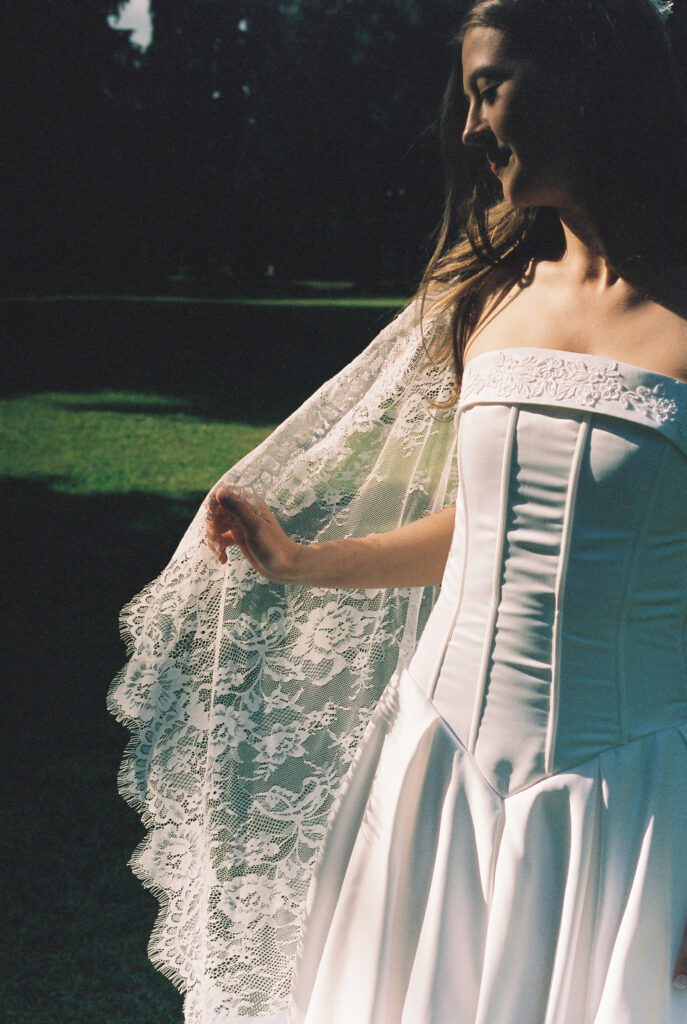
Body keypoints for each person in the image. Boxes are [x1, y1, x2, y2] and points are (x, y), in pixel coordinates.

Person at [110, 0, 687, 1021]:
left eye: (488, 88)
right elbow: (485, 531)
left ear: (584, 79)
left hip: (618, 813)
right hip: (436, 773)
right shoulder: (487, 301)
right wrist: (298, 561)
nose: (469, 129)